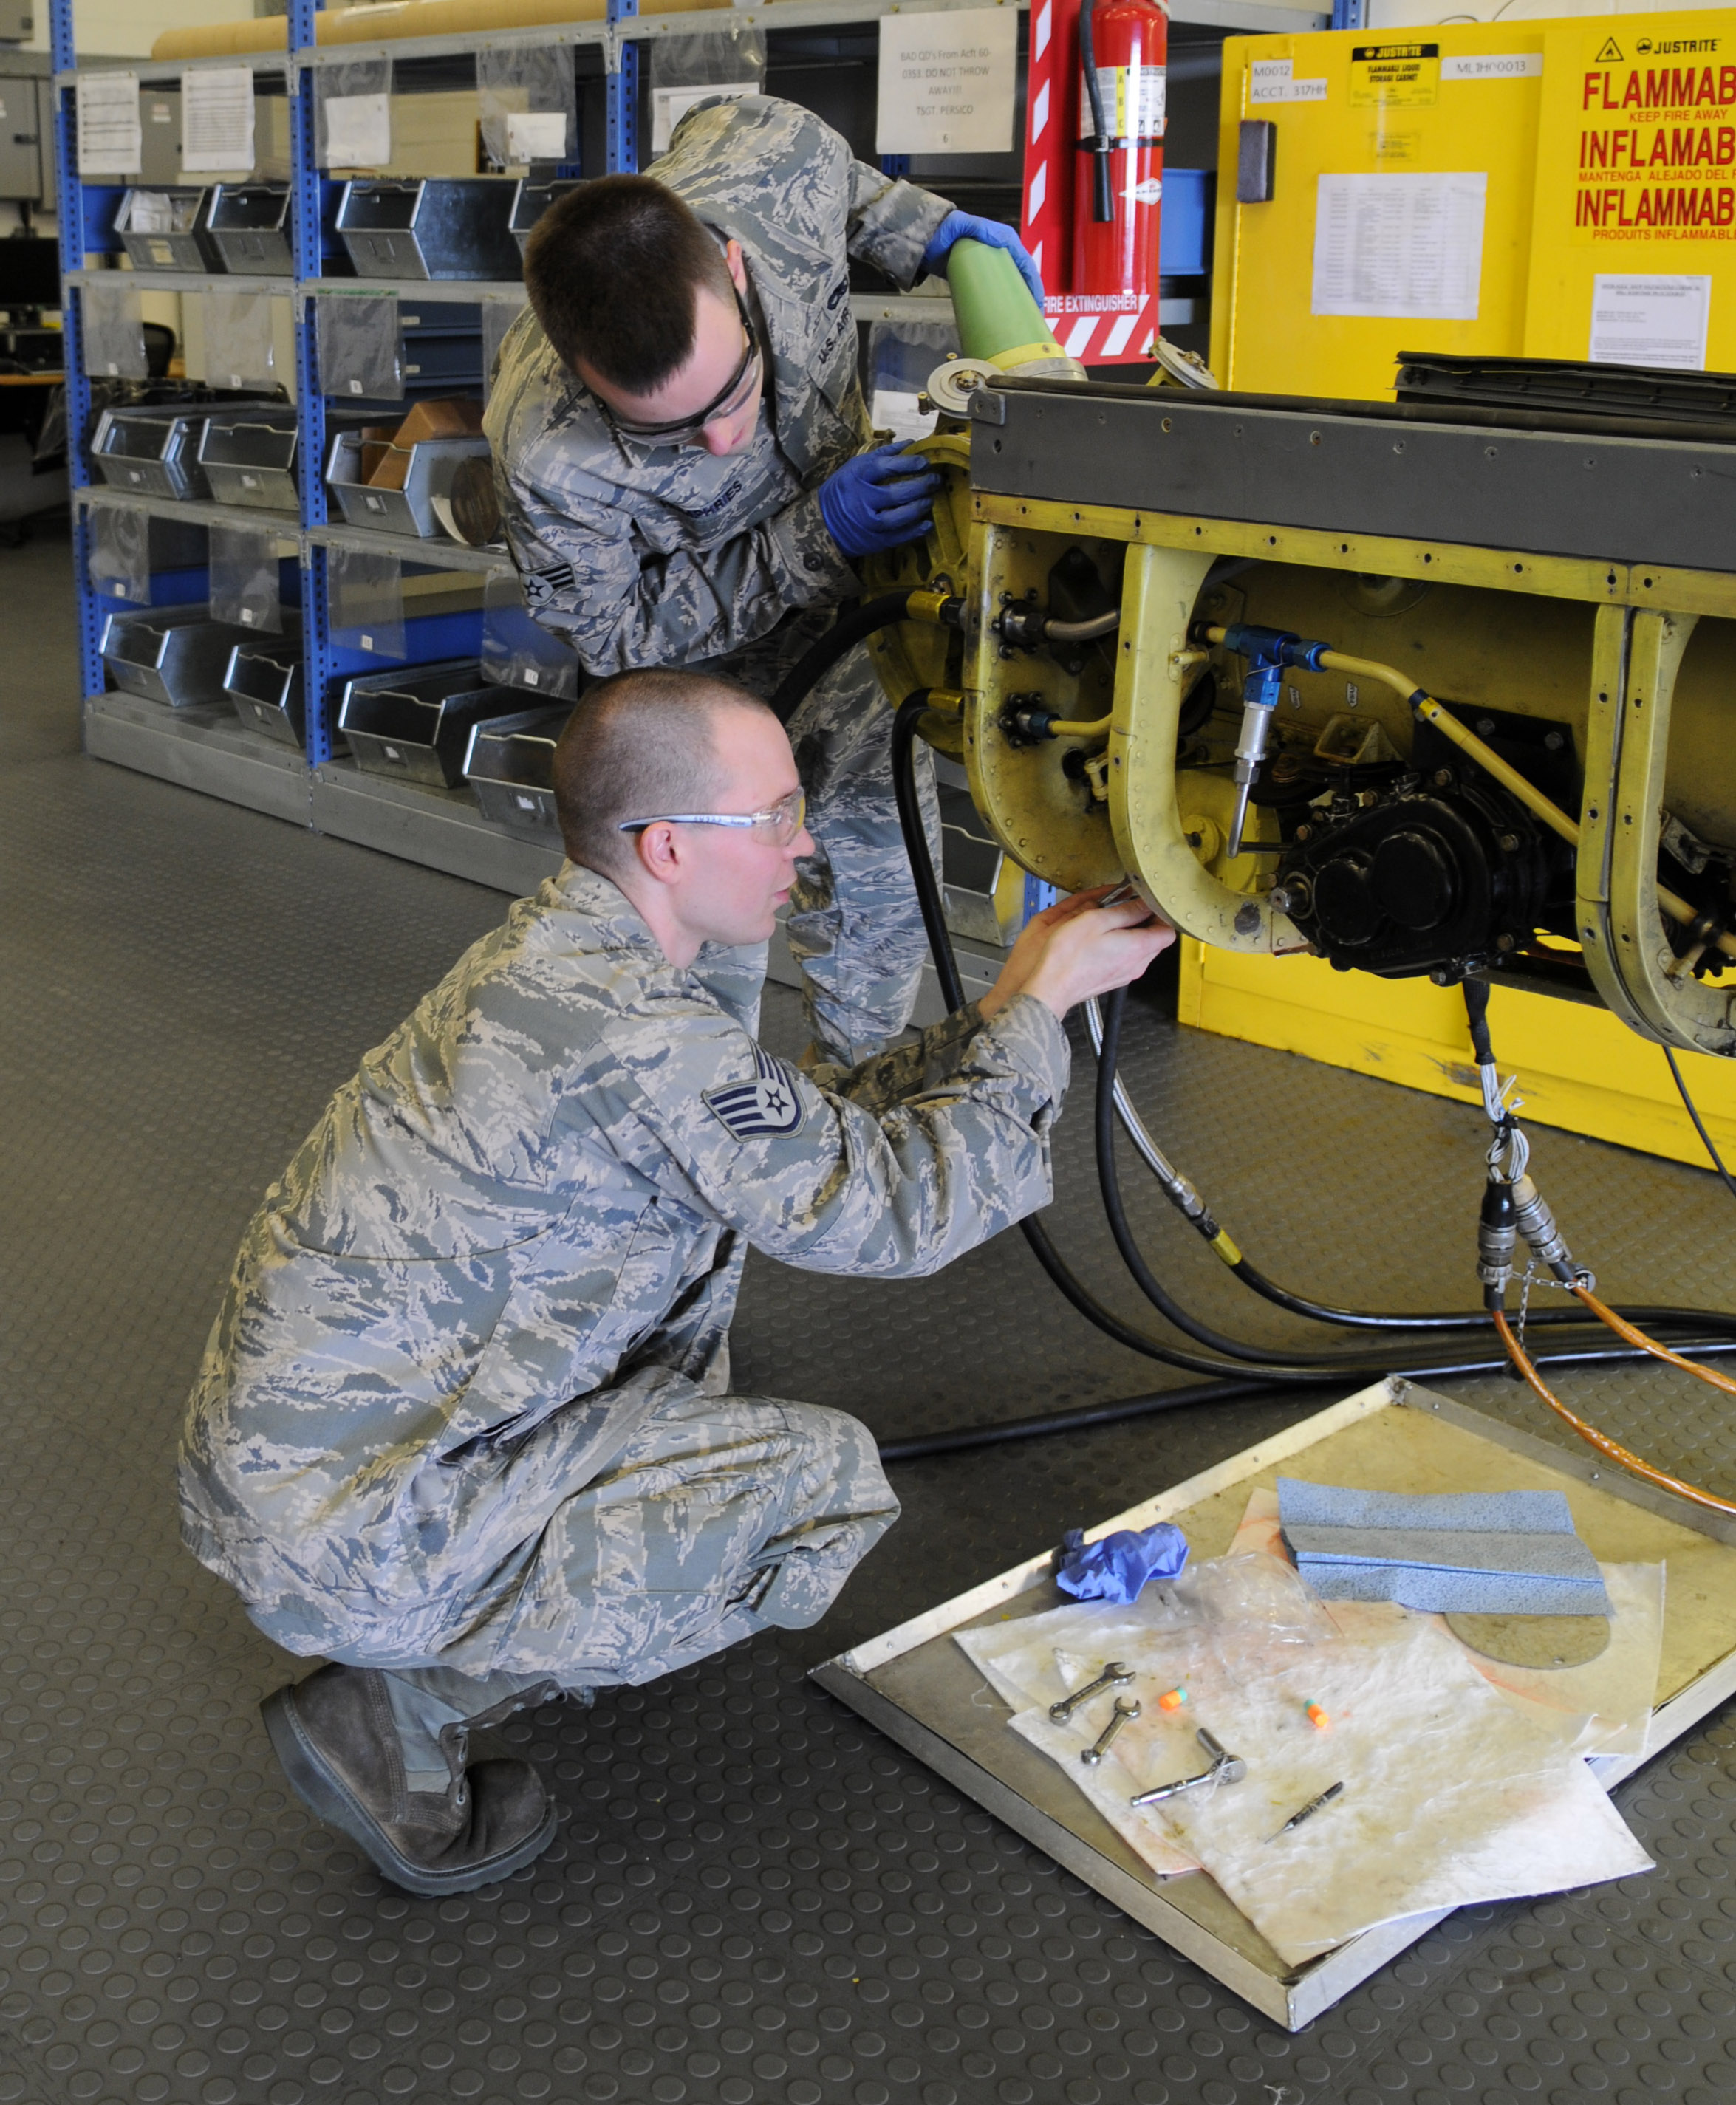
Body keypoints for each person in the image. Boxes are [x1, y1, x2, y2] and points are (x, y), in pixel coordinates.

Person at [178, 668, 1170, 1899]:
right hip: (357, 1532)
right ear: (665, 844)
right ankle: (398, 1708)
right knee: (822, 1487)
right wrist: (1037, 1010)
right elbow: (890, 1213)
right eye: (774, 817)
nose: (800, 847)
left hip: (332, 1474)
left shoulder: (579, 956)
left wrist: (1005, 1006)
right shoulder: (630, 1025)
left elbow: (804, 1136)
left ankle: (448, 1632)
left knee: (705, 1394)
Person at [482, 93, 1045, 1067]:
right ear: (580, 369)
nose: (722, 437)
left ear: (735, 267)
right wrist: (811, 535)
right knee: (702, 973)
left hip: (856, 651)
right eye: (665, 431)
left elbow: (847, 189)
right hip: (695, 700)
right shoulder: (543, 447)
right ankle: (719, 1165)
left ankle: (852, 1133)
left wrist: (933, 233)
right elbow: (616, 637)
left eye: (734, 390)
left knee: (875, 921)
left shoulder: (771, 163)